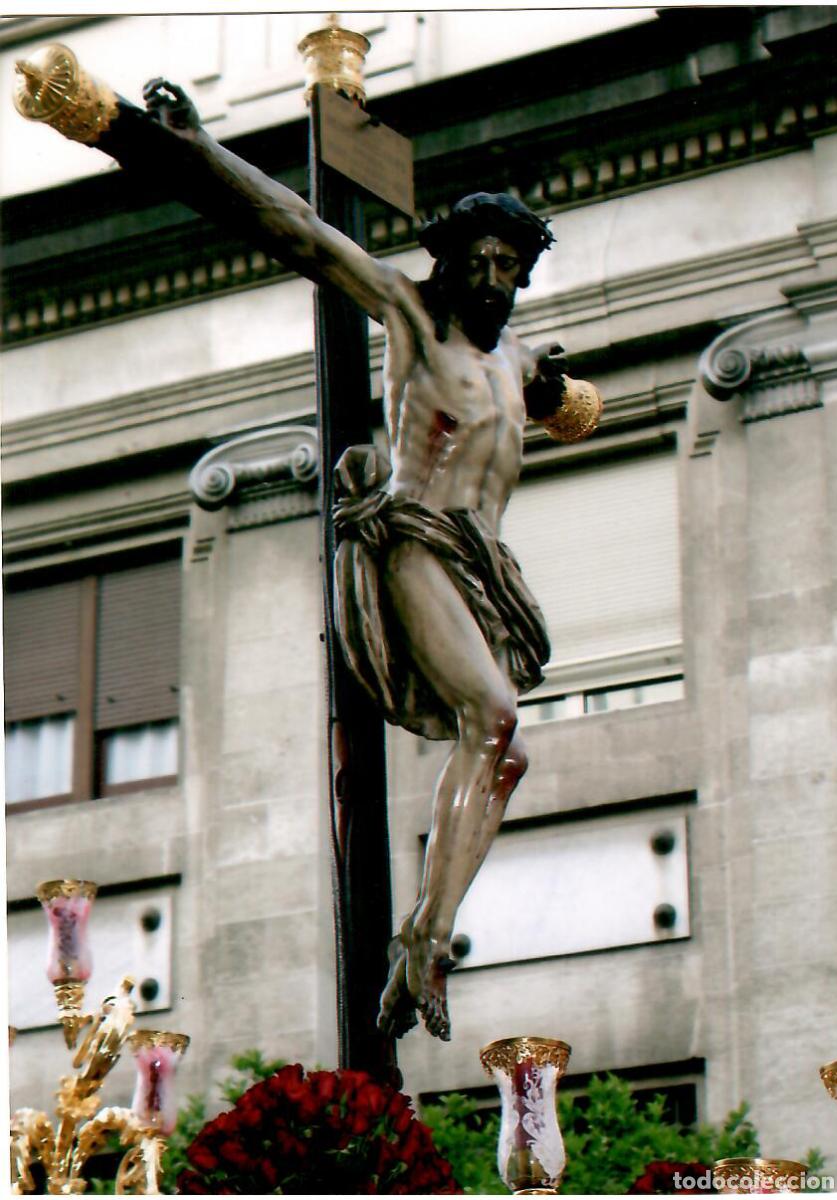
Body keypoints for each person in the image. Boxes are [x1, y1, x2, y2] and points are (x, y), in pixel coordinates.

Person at [144, 79, 570, 1042]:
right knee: (492, 718)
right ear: (448, 265)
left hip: (485, 566)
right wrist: (198, 149)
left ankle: (423, 931)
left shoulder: (515, 362)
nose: (491, 279)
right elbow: (301, 231)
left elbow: (571, 405)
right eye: (476, 261)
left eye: (507, 265)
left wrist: (559, 388)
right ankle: (426, 945)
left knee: (505, 753)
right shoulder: (411, 316)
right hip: (414, 535)